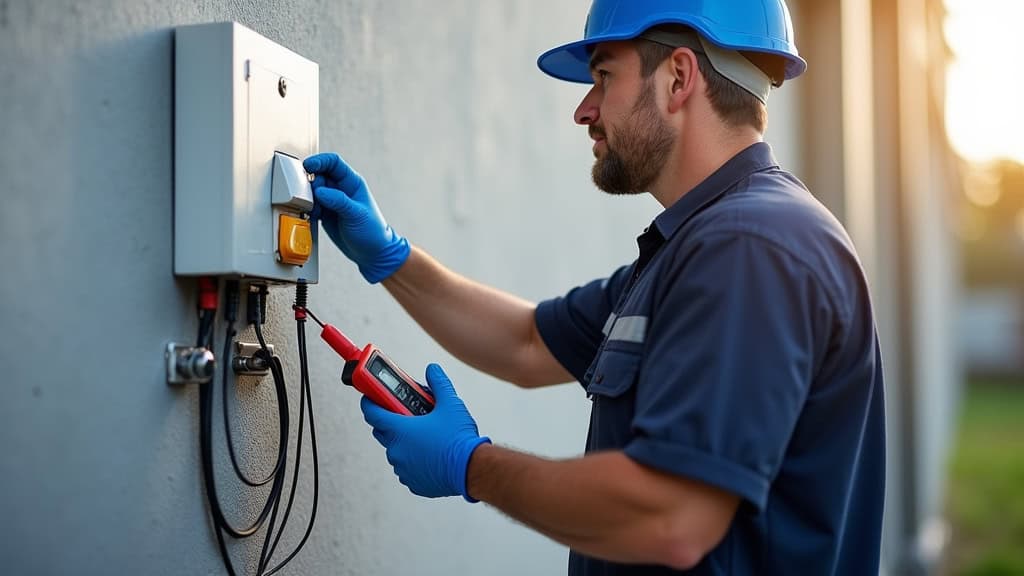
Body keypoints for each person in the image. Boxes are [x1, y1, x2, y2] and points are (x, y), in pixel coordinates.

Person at [304, 0, 885, 573]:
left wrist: (470, 465)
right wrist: (387, 256)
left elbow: (671, 518)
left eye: (604, 75)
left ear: (677, 78)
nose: (584, 110)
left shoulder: (749, 248)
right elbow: (527, 343)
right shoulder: (701, 245)